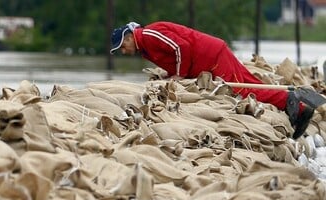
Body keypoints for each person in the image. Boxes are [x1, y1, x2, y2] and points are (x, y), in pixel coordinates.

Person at [109, 21, 317, 139]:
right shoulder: (146, 46)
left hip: (212, 58)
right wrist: (168, 74)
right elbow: (174, 56)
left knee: (242, 92)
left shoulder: (148, 35)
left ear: (128, 38)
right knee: (249, 81)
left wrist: (179, 75)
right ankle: (294, 103)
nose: (124, 52)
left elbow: (181, 47)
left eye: (123, 47)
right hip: (212, 54)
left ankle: (295, 106)